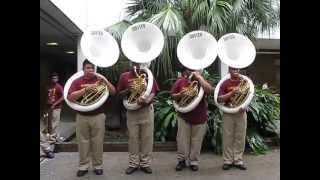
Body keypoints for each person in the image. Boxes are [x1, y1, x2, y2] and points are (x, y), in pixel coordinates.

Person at [67, 60, 116, 177]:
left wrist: (106, 82)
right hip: (82, 116)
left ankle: (97, 166)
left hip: (98, 116)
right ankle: (83, 166)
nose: (90, 70)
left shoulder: (99, 81)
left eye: (92, 68)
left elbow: (113, 92)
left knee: (98, 142)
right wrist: (86, 90)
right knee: (82, 142)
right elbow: (70, 97)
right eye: (88, 68)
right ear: (83, 69)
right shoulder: (77, 81)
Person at [117, 62, 159, 175]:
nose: (137, 64)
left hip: (146, 110)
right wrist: (128, 90)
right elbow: (119, 93)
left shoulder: (148, 75)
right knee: (133, 138)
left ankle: (145, 163)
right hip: (131, 111)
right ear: (130, 63)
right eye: (134, 61)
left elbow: (154, 91)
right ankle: (133, 164)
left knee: (147, 138)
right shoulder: (124, 76)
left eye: (139, 61)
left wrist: (147, 99)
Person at [171, 67, 213, 171]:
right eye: (189, 69)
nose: (191, 71)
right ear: (186, 70)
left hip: (199, 115)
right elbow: (172, 96)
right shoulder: (180, 81)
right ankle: (181, 160)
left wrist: (200, 78)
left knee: (197, 140)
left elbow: (209, 90)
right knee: (182, 140)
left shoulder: (201, 81)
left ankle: (194, 161)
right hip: (183, 115)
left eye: (194, 69)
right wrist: (181, 94)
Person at [217, 67, 248, 170]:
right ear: (229, 70)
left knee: (240, 137)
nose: (236, 71)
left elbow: (249, 96)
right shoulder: (224, 83)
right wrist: (232, 93)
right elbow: (220, 99)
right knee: (227, 137)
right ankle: (228, 160)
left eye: (237, 69)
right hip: (228, 112)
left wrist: (245, 104)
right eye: (233, 69)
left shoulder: (244, 82)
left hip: (241, 112)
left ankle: (238, 160)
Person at [46, 72, 64, 142]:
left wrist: (55, 104)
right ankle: (52, 137)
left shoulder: (58, 86)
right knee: (49, 122)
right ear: (51, 79)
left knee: (55, 123)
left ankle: (54, 138)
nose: (54, 79)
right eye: (53, 78)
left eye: (55, 78)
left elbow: (63, 97)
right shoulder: (48, 86)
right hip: (49, 107)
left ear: (57, 79)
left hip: (56, 107)